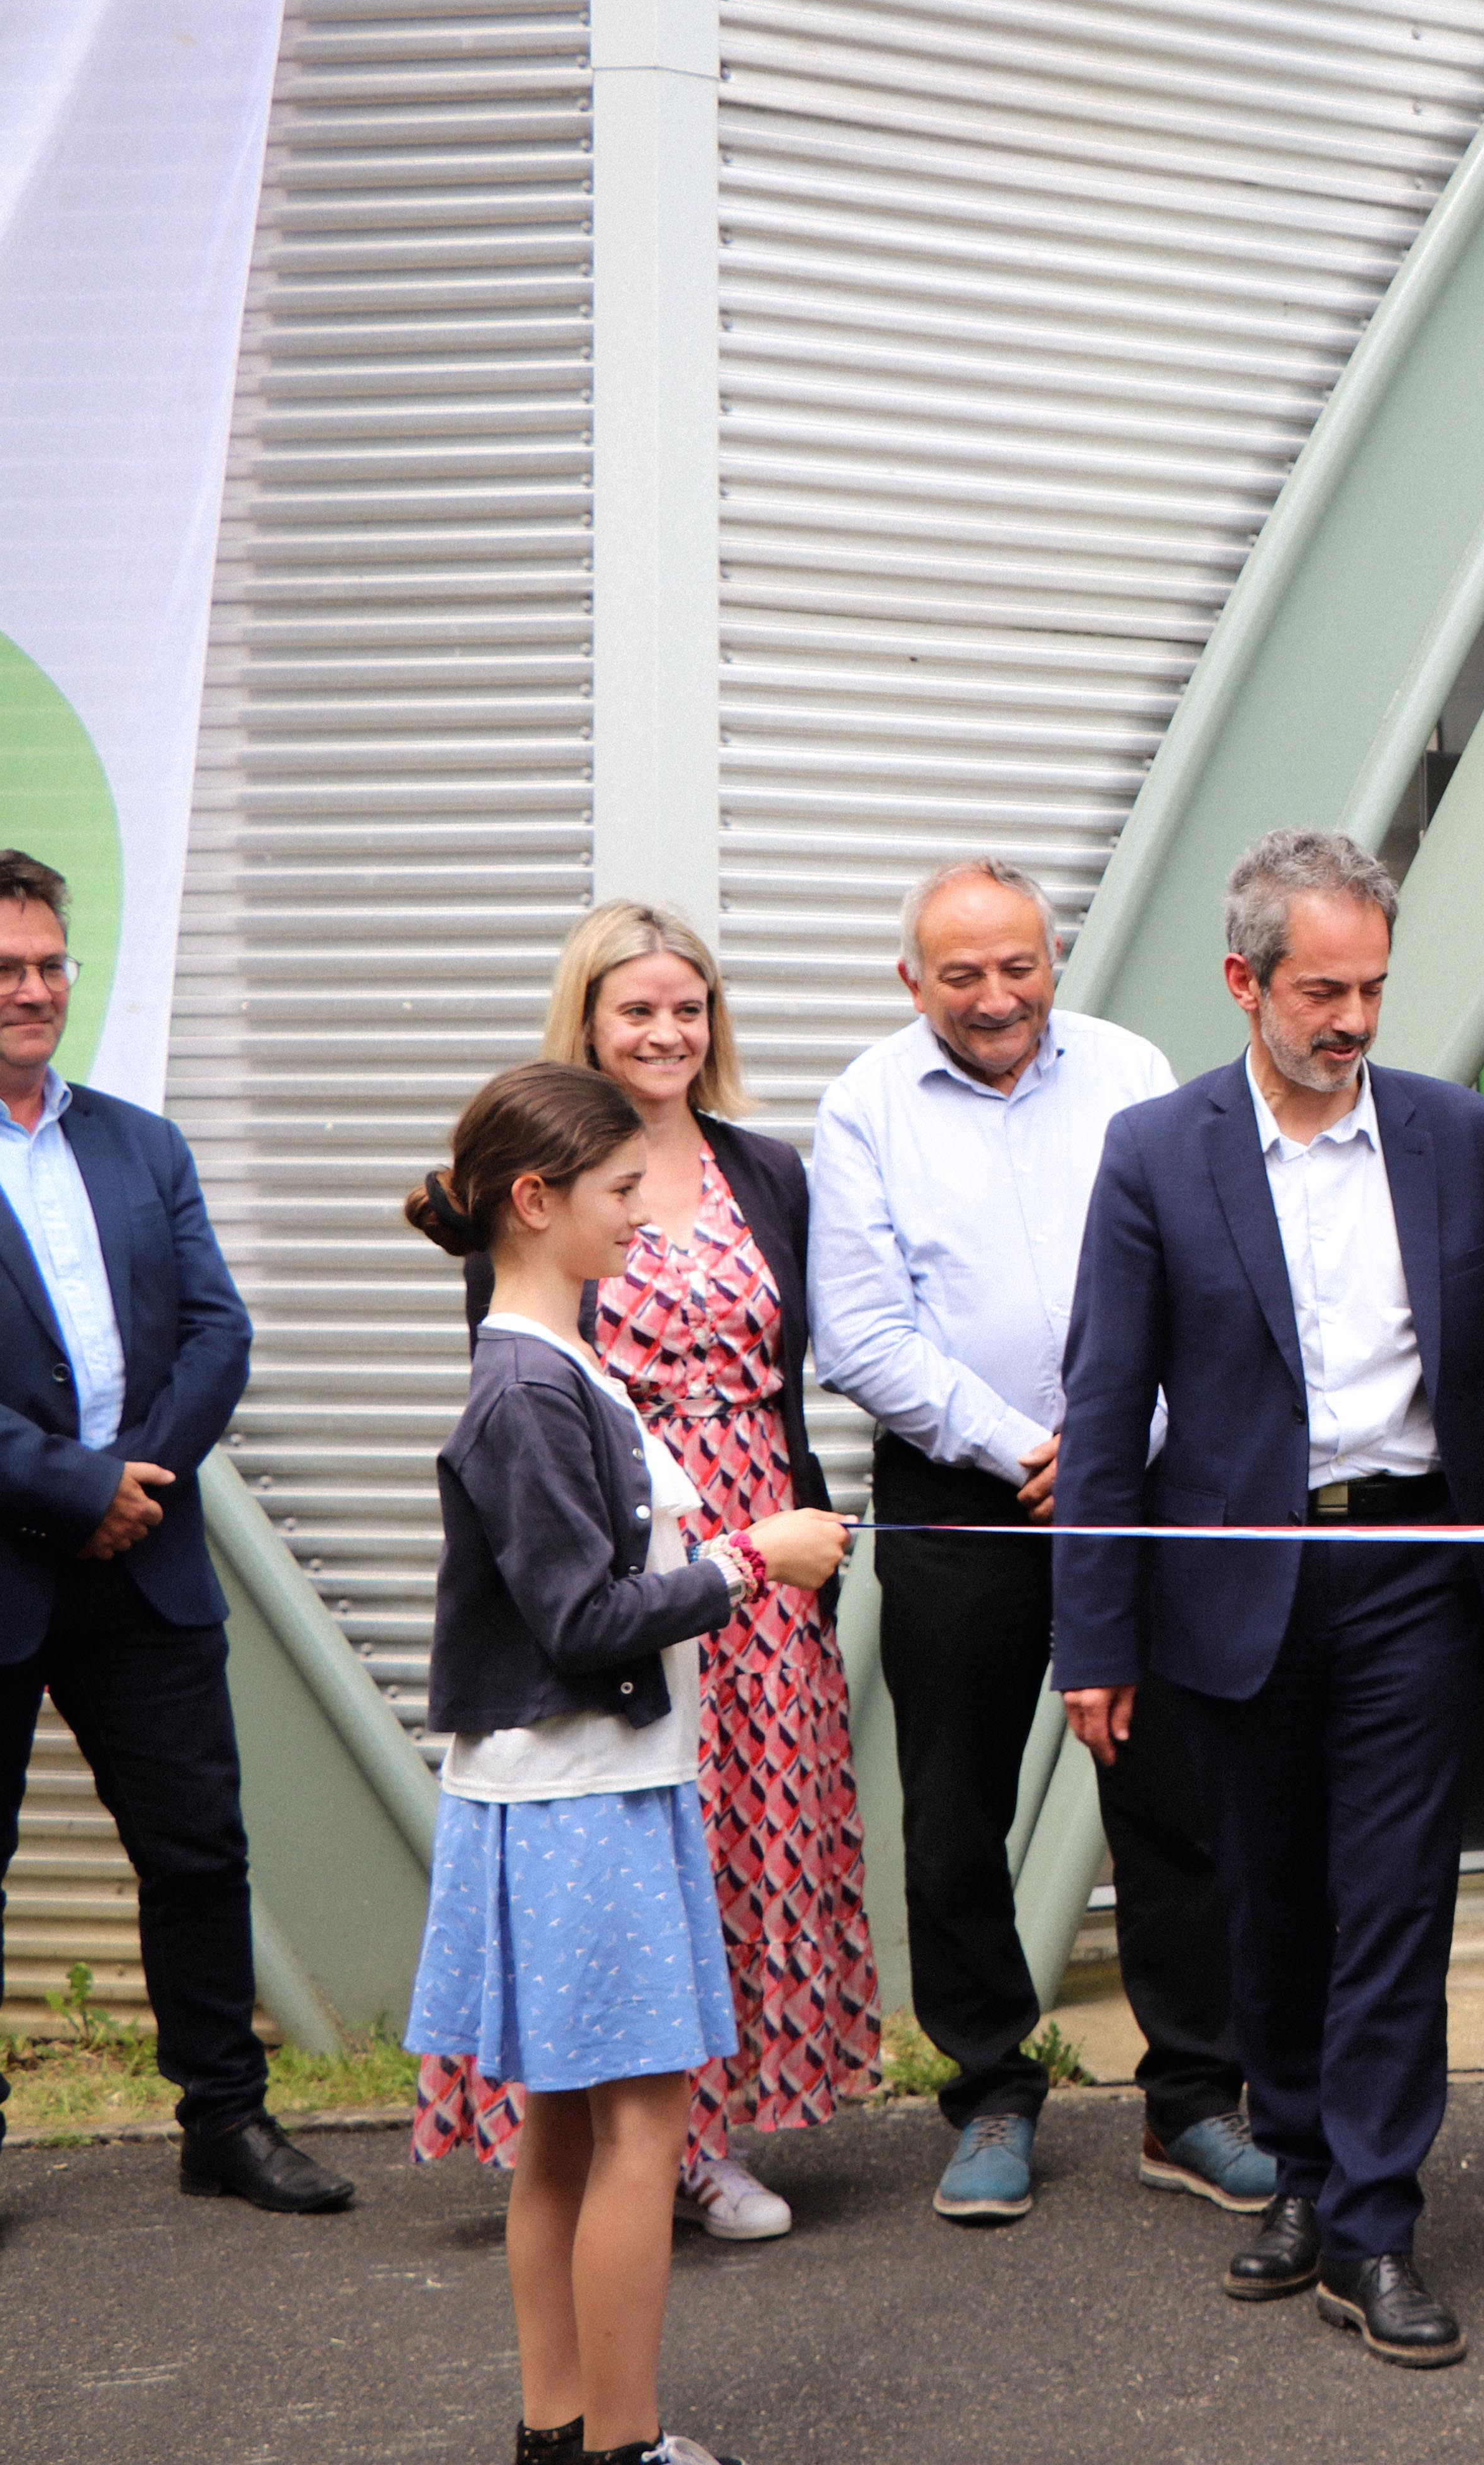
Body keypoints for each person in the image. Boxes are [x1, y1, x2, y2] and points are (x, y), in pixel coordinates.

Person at [1053, 831, 1484, 2369]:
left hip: (1418, 1561)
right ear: (1244, 981)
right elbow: (1101, 1407)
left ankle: (1375, 2225)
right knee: (1269, 1898)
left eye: (1373, 987)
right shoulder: (1158, 1150)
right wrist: (1097, 1634)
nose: (1352, 1018)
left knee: (1396, 1902)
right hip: (1240, 1576)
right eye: (1322, 989)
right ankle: (1300, 2168)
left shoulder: (1462, 1137)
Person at [399, 1061, 851, 2465]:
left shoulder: (557, 1361)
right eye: (616, 1197)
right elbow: (582, 1616)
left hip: (581, 1793)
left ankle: (563, 2430)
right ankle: (625, 2444)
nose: (642, 1223)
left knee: (570, 2132)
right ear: (533, 1203)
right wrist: (747, 1559)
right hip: (579, 1797)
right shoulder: (529, 1389)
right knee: (640, 2128)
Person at [809, 859, 1261, 2225]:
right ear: (913, 980)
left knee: (1174, 1800)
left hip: (1143, 1491)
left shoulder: (1135, 1069)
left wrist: (1119, 1441)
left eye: (1018, 965)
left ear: (1053, 957)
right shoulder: (864, 1103)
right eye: (962, 974)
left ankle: (1192, 2098)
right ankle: (993, 2087)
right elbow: (861, 1331)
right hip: (961, 1496)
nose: (996, 995)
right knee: (956, 1812)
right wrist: (1024, 1445)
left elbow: (1212, 1270)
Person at [419, 905, 876, 2240]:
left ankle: (708, 2134)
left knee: (745, 1843)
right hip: (625, 1545)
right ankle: (600, 2141)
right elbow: (516, 1374)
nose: (669, 1031)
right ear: (588, 1021)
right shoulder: (545, 1184)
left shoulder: (769, 1167)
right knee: (624, 1847)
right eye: (638, 1009)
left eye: (691, 1006)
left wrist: (793, 1543)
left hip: (759, 1536)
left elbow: (794, 1374)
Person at [0, 848, 351, 2212]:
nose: (34, 990)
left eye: (49, 964)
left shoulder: (140, 1141)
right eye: (7, 969)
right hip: (17, 1557)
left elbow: (219, 1330)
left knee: (199, 1846)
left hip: (141, 1563)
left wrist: (130, 1482)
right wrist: (74, 1487)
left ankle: (225, 2119)